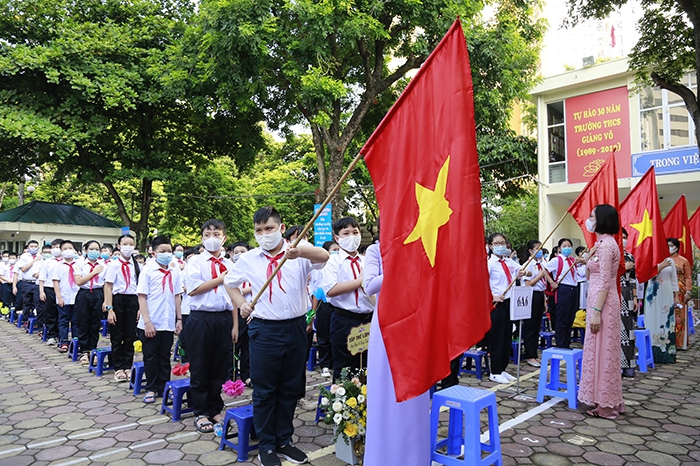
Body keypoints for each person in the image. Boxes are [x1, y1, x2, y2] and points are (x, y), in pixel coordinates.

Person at [227, 206, 329, 466]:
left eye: (269, 229)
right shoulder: (249, 258)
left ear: (281, 229)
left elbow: (325, 256)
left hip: (296, 328)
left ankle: (284, 440)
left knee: (289, 388)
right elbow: (231, 283)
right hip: (264, 329)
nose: (264, 234)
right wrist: (241, 304)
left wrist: (299, 251)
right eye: (259, 230)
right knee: (265, 390)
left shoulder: (298, 252)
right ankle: (266, 445)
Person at [364, 236, 430, 465]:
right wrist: (399, 266)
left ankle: (414, 455)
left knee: (414, 393)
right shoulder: (375, 250)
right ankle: (382, 456)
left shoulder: (419, 247)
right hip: (385, 327)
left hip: (414, 324)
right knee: (384, 391)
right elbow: (369, 285)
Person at [184, 219, 237, 434]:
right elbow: (194, 289)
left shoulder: (230, 263)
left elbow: (235, 295)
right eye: (208, 234)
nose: (212, 238)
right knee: (200, 365)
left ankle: (216, 407)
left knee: (219, 366)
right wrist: (220, 278)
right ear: (202, 238)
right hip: (200, 319)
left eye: (217, 234)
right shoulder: (196, 262)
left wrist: (235, 324)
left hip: (224, 318)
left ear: (224, 237)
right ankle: (200, 411)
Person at [578, 204, 624, 419]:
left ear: (602, 220)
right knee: (598, 351)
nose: (589, 219)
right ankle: (602, 398)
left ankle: (607, 406)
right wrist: (587, 260)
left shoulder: (606, 246)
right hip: (598, 301)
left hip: (603, 304)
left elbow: (606, 280)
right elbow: (593, 276)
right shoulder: (601, 244)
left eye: (592, 216)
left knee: (604, 352)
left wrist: (596, 311)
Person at [322, 217, 374, 381]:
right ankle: (343, 403)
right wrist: (360, 281)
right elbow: (331, 290)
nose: (352, 236)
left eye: (355, 232)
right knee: (345, 368)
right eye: (346, 233)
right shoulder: (332, 261)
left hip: (368, 320)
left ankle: (366, 403)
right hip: (344, 320)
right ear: (337, 238)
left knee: (367, 366)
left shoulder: (367, 261)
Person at [137, 236, 183, 404]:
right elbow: (142, 297)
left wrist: (179, 319)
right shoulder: (148, 271)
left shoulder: (175, 270)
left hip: (168, 322)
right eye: (162, 251)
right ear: (153, 253)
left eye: (169, 251)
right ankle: (151, 387)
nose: (166, 254)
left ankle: (164, 386)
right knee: (150, 356)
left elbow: (177, 295)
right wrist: (147, 322)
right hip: (151, 321)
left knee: (164, 356)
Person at [486, 233, 525, 384]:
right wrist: (493, 296)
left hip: (510, 301)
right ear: (490, 246)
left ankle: (502, 368)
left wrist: (523, 272)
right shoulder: (489, 264)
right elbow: (481, 284)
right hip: (497, 303)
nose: (501, 246)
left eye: (503, 243)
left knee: (507, 335)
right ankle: (494, 371)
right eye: (497, 243)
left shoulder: (508, 261)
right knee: (497, 337)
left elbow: (522, 270)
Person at [103, 235, 141, 382]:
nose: (128, 247)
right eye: (125, 244)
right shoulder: (113, 265)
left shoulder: (137, 265)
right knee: (117, 335)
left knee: (130, 335)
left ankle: (127, 366)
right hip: (118, 300)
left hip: (132, 299)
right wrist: (110, 308)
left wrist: (139, 307)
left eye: (131, 244)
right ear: (119, 246)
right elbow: (108, 286)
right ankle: (118, 367)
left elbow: (140, 287)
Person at [523, 240, 555, 367]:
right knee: (530, 327)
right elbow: (528, 284)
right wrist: (540, 275)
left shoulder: (542, 263)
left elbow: (543, 285)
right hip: (531, 295)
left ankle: (535, 354)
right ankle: (530, 354)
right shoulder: (528, 264)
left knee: (537, 327)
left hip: (540, 295)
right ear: (531, 251)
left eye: (541, 248)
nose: (540, 250)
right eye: (537, 248)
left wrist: (544, 301)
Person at [74, 240, 106, 363]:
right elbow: (79, 281)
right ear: (86, 250)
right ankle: (84, 351)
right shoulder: (80, 264)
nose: (94, 251)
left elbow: (106, 283)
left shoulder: (103, 265)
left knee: (94, 324)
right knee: (83, 323)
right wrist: (94, 272)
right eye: (91, 249)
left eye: (97, 249)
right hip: (84, 294)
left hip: (98, 293)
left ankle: (93, 349)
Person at [645, 253, 679, 364]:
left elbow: (674, 280)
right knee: (653, 320)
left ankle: (668, 354)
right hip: (654, 294)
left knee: (667, 320)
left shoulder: (670, 261)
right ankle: (653, 352)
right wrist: (661, 266)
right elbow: (649, 276)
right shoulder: (650, 257)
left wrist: (676, 296)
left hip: (667, 292)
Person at [546, 238, 578, 348]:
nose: (567, 248)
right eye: (564, 246)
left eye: (569, 246)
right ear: (559, 248)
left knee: (570, 318)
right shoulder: (557, 260)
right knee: (562, 318)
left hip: (574, 289)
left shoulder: (573, 261)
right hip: (563, 289)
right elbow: (544, 270)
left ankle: (567, 342)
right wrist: (552, 282)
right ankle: (561, 344)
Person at [313, 241, 339, 378]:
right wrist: (313, 312)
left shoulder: (340, 265)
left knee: (336, 336)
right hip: (324, 305)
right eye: (333, 249)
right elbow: (316, 291)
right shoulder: (320, 268)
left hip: (338, 305)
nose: (336, 251)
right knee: (324, 336)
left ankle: (335, 363)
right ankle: (325, 365)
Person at [229, 242, 252, 387]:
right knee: (233, 345)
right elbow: (231, 291)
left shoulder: (254, 269)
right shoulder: (230, 270)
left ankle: (247, 375)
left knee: (248, 346)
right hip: (235, 311)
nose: (239, 254)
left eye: (242, 251)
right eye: (236, 252)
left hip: (251, 312)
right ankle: (231, 374)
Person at [52, 240, 80, 353]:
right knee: (63, 320)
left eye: (70, 248)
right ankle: (63, 341)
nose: (68, 251)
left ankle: (76, 341)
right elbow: (55, 282)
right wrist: (59, 297)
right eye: (65, 249)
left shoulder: (79, 264)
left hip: (77, 296)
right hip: (64, 297)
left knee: (76, 321)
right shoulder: (58, 266)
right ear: (61, 251)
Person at [668, 238, 692, 350]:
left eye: (671, 245)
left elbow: (688, 277)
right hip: (667, 290)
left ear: (676, 247)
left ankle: (679, 342)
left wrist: (688, 291)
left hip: (680, 292)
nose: (669, 247)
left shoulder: (683, 261)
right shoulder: (665, 260)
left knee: (679, 316)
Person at [620, 229, 637, 377]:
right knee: (616, 330)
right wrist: (623, 268)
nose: (624, 240)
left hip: (627, 294)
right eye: (621, 237)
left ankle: (629, 363)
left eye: (626, 237)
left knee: (628, 328)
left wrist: (635, 297)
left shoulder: (629, 256)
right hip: (612, 292)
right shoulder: (611, 254)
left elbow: (632, 279)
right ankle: (617, 364)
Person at [14, 239, 42, 321]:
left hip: (37, 282)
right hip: (27, 282)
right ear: (28, 247)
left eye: (35, 246)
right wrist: (34, 261)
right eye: (31, 246)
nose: (34, 248)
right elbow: (23, 269)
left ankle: (36, 321)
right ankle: (25, 320)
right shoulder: (24, 256)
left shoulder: (41, 256)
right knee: (26, 302)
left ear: (38, 247)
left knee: (37, 304)